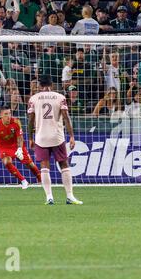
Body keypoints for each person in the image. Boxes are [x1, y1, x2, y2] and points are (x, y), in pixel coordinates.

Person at [27, 75, 82, 205]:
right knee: (64, 164)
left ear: (40, 86)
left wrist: (30, 138)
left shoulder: (33, 99)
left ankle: (49, 197)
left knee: (44, 167)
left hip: (41, 138)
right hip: (57, 137)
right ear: (52, 85)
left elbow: (30, 120)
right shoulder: (60, 97)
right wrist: (72, 136)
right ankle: (70, 196)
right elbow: (66, 117)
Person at [0, 105, 41, 189]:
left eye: (9, 113)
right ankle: (23, 181)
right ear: (1, 115)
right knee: (6, 162)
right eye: (6, 114)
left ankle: (40, 179)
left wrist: (20, 149)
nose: (8, 116)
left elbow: (20, 137)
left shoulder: (16, 122)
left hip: (17, 145)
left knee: (29, 164)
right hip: (5, 147)